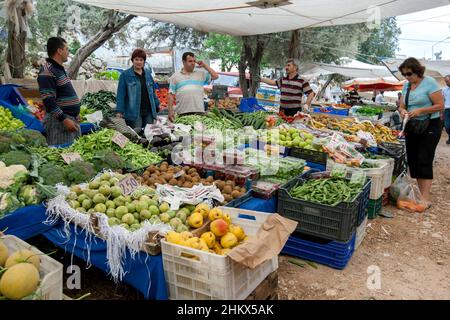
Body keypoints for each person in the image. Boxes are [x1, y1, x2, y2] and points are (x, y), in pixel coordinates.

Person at [397, 57, 444, 205]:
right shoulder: (407, 86)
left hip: (430, 125)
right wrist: (403, 111)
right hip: (413, 126)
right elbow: (402, 105)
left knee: (425, 158)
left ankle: (424, 199)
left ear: (418, 71)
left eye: (409, 74)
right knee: (414, 160)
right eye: (404, 74)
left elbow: (440, 105)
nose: (407, 77)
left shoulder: (429, 82)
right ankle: (419, 194)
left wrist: (421, 110)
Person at [37, 37, 81, 145]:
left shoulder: (59, 69)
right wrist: (64, 119)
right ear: (59, 51)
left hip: (69, 119)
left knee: (72, 154)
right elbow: (49, 101)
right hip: (58, 123)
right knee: (61, 156)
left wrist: (75, 113)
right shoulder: (48, 71)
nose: (68, 52)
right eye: (66, 49)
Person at [116, 48, 160, 130]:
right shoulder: (125, 75)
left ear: (144, 61)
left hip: (148, 111)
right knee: (137, 134)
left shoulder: (148, 74)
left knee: (149, 133)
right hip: (134, 112)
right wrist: (119, 111)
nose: (139, 62)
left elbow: (152, 92)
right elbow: (120, 94)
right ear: (132, 60)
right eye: (136, 59)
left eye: (141, 60)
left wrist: (157, 104)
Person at [168, 52, 218, 122]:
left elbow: (215, 76)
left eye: (194, 61)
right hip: (182, 113)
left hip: (199, 112)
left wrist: (204, 65)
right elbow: (171, 94)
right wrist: (170, 110)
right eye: (190, 61)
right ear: (183, 62)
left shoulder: (201, 74)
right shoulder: (175, 76)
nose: (193, 63)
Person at [442, 75, 450, 144]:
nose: (446, 83)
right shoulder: (444, 90)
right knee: (447, 126)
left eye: (447, 81)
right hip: (447, 110)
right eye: (446, 82)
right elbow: (442, 100)